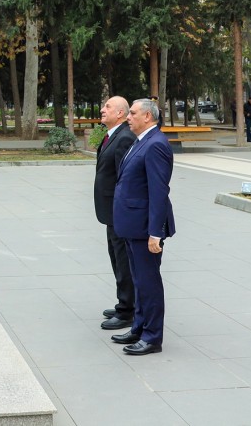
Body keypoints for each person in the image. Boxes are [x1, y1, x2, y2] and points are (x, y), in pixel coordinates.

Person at [110, 98, 176, 356]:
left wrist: (155, 232)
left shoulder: (156, 144)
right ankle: (139, 326)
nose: (128, 117)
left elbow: (159, 192)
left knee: (149, 282)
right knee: (138, 281)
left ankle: (152, 337)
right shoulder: (141, 141)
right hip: (132, 225)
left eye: (133, 113)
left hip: (144, 228)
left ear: (147, 116)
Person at [93, 96, 135, 331]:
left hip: (119, 212)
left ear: (120, 113)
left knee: (123, 261)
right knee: (116, 259)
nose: (102, 109)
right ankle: (124, 302)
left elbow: (125, 179)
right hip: (110, 212)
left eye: (107, 106)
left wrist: (122, 211)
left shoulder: (124, 138)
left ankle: (127, 310)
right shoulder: (113, 135)